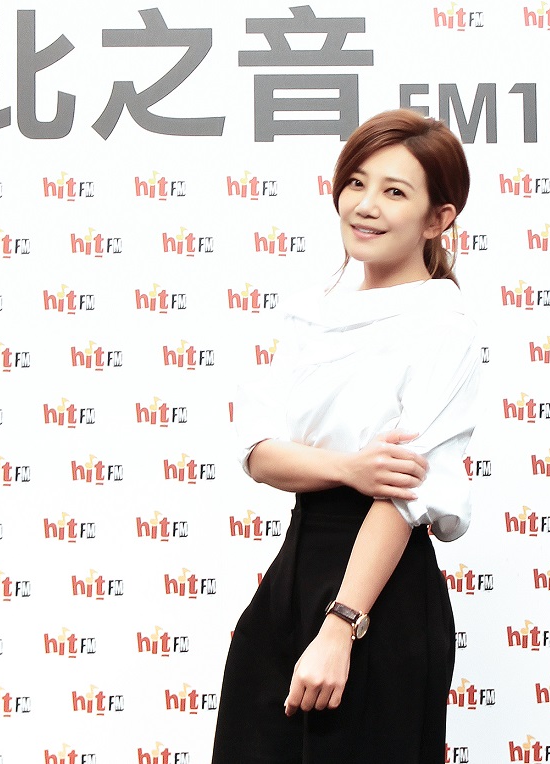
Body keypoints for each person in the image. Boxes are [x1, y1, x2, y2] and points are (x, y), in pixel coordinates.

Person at [211, 109, 480, 764]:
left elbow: (401, 493)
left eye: (395, 191)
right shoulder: (312, 315)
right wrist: (350, 468)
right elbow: (259, 453)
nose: (365, 205)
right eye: (356, 182)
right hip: (289, 577)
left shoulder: (443, 325)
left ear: (438, 219)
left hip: (378, 591)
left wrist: (342, 625)